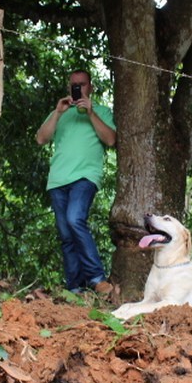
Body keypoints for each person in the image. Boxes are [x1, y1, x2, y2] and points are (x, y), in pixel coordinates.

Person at [36, 70, 117, 296]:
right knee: (66, 235)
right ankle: (75, 288)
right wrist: (57, 112)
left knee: (75, 219)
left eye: (82, 85)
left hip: (85, 177)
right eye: (73, 85)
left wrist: (90, 112)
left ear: (90, 87)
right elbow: (41, 138)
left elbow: (111, 139)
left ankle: (97, 278)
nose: (77, 88)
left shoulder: (101, 111)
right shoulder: (61, 113)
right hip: (58, 180)